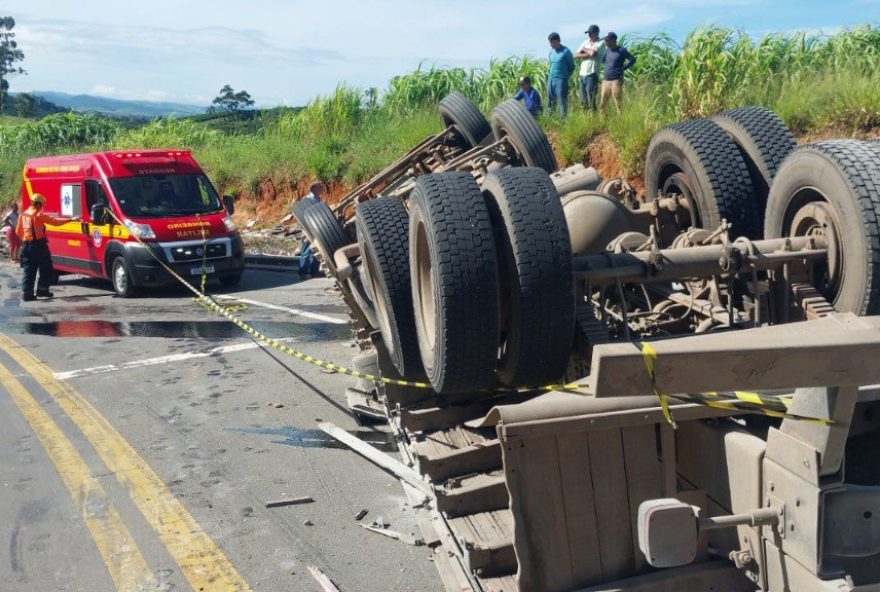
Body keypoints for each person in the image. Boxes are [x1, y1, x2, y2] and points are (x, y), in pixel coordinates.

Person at [16, 193, 79, 301]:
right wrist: (70, 219)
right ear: (39, 204)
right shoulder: (39, 215)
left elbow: (18, 231)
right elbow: (55, 222)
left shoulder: (24, 214)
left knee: (29, 271)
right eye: (42, 204)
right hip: (38, 246)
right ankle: (42, 290)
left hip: (26, 246)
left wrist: (26, 239)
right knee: (46, 268)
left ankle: (27, 294)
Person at [600, 32, 637, 112]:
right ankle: (602, 121)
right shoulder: (607, 51)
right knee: (603, 103)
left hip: (616, 80)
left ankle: (621, 120)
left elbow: (632, 59)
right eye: (605, 40)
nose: (605, 42)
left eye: (607, 40)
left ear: (613, 40)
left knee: (618, 103)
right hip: (606, 80)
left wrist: (624, 67)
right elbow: (603, 61)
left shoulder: (621, 50)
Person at [296, 182, 326, 278]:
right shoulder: (307, 200)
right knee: (306, 251)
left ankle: (314, 271)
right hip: (308, 229)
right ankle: (303, 272)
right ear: (314, 189)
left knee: (317, 250)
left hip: (317, 229)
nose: (322, 189)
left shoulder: (318, 199)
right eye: (320, 187)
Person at [575, 25, 605, 110]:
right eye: (589, 33)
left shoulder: (601, 43)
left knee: (591, 99)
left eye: (591, 33)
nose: (589, 35)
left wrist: (584, 49)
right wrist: (587, 53)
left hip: (592, 74)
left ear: (596, 33)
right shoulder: (585, 42)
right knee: (583, 100)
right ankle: (586, 118)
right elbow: (575, 55)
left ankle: (593, 118)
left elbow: (593, 53)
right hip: (582, 74)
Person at [546, 32, 575, 117]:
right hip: (551, 79)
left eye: (552, 42)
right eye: (550, 42)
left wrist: (565, 77)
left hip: (561, 80)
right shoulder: (551, 52)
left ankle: (563, 120)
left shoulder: (566, 51)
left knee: (562, 101)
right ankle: (549, 119)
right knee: (550, 101)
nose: (551, 44)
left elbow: (571, 67)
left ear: (558, 41)